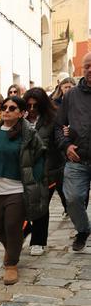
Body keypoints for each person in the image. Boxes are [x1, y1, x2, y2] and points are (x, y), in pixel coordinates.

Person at [0, 96, 46, 284]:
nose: (6, 110)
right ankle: (14, 246)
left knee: (12, 226)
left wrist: (34, 178)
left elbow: (40, 155)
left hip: (17, 189)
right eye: (5, 107)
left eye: (12, 108)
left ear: (21, 113)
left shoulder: (29, 134)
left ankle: (11, 264)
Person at [22, 87, 64, 255]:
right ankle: (25, 230)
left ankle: (38, 241)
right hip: (25, 170)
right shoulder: (20, 120)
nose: (32, 109)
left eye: (35, 105)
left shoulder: (52, 119)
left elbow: (59, 142)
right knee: (24, 204)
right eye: (29, 105)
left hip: (48, 170)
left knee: (41, 204)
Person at [56, 53, 91, 251]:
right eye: (87, 66)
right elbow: (58, 126)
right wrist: (66, 145)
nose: (90, 69)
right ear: (82, 69)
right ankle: (83, 230)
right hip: (77, 159)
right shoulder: (71, 95)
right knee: (73, 199)